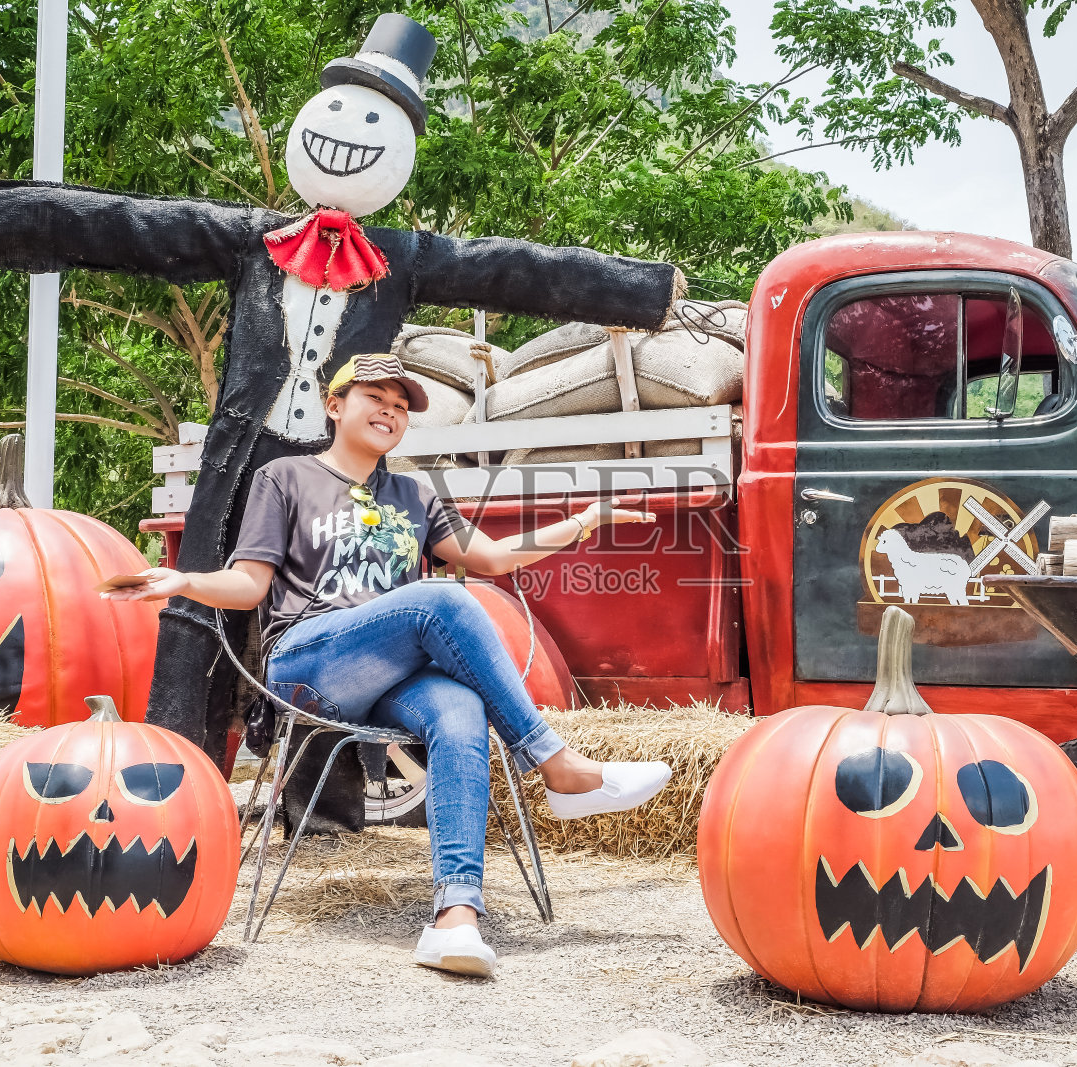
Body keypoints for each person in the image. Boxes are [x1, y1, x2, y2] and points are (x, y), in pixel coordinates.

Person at [105, 354, 672, 979]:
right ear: (334, 405)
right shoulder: (285, 477)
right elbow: (248, 584)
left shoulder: (414, 494)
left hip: (388, 678)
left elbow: (494, 558)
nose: (390, 412)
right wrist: (185, 581)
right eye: (374, 397)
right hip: (309, 663)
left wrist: (582, 522)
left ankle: (456, 916)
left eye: (400, 407)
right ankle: (555, 764)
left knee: (460, 708)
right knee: (439, 598)